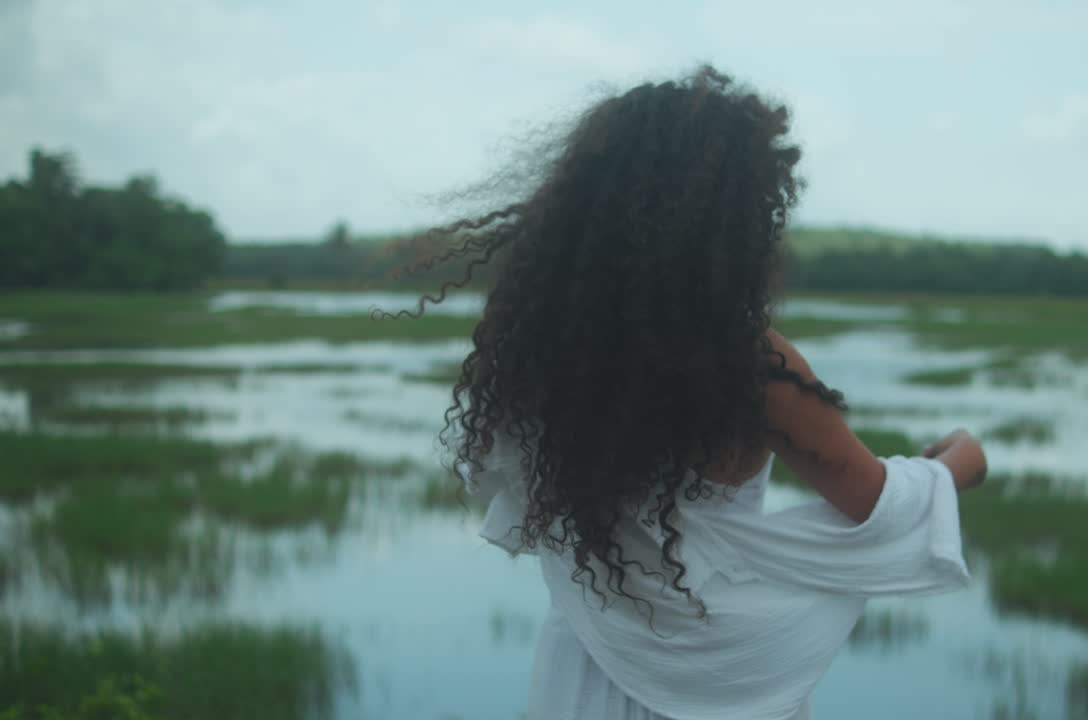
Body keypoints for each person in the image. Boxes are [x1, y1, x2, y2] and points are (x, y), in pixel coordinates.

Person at [401, 65, 987, 720]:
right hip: (722, 692)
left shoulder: (548, 355)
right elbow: (880, 507)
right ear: (735, 218)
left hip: (580, 674)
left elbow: (515, 495)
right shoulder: (750, 365)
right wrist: (964, 459)